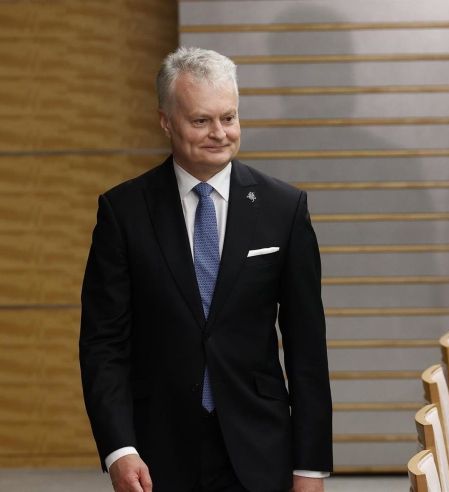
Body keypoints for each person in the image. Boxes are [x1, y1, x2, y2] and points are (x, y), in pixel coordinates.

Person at [79, 46, 332, 492]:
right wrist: (119, 449)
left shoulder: (284, 208)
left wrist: (310, 466)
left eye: (228, 118)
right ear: (165, 121)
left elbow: (307, 347)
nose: (219, 133)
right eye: (201, 121)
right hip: (157, 453)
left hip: (260, 447)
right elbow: (104, 344)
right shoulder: (124, 212)